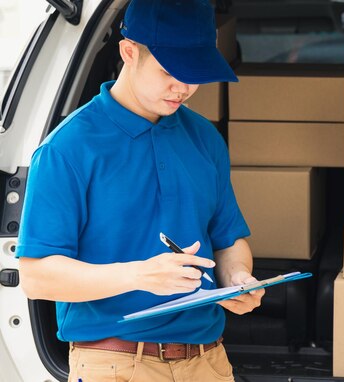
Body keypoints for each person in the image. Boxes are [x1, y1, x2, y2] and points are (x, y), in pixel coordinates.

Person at [15, 0, 263, 380]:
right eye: (169, 72)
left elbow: (228, 239)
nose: (183, 87)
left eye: (194, 73)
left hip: (209, 362)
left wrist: (238, 279)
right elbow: (37, 277)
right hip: (115, 365)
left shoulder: (205, 138)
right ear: (129, 52)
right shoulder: (67, 149)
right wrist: (138, 276)